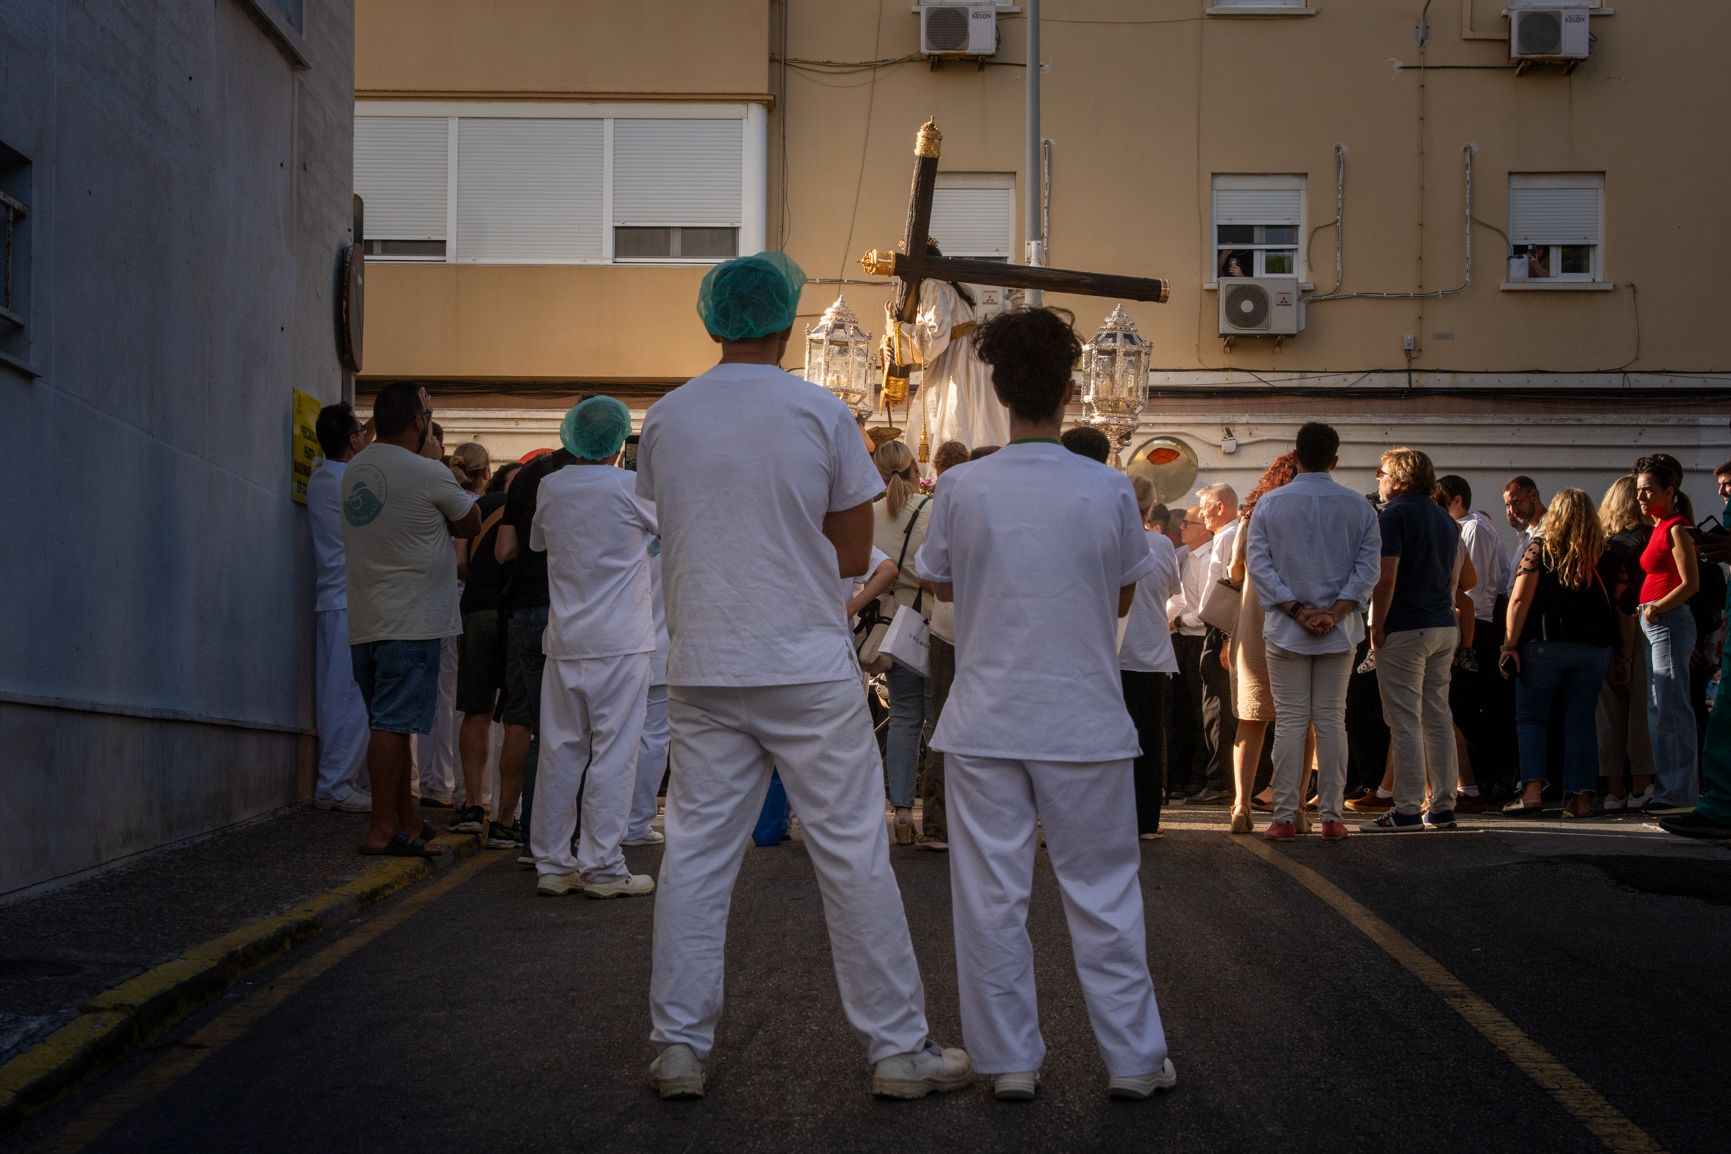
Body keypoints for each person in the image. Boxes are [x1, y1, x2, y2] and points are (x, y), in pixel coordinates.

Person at [640, 253, 969, 1101]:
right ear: (785, 323)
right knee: (852, 855)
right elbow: (855, 554)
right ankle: (896, 1049)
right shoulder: (819, 412)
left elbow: (668, 523)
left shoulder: (669, 417)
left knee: (696, 860)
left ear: (712, 323)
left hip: (703, 660)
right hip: (801, 663)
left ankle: (678, 1047)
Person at [915, 306, 1173, 1102]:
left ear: (997, 392)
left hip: (986, 716)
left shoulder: (960, 485)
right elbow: (1126, 586)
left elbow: (937, 575)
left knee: (990, 896)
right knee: (1102, 893)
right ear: (1070, 392)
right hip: (1083, 715)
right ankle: (1131, 1060)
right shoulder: (1106, 488)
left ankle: (1010, 1062)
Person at [340, 383, 481, 858]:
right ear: (419, 422)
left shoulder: (354, 469)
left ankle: (407, 821)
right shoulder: (427, 473)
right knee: (393, 725)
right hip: (412, 619)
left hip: (366, 618)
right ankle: (383, 829)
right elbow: (470, 522)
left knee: (389, 725)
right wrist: (437, 460)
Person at [528, 398, 658, 898]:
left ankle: (553, 864)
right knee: (614, 754)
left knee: (560, 752)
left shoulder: (550, 486)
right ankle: (602, 866)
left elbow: (540, 544)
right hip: (621, 643)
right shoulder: (630, 488)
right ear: (618, 442)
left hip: (565, 642)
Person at [1245, 422, 1381, 841]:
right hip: (1339, 632)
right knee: (1331, 722)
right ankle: (1332, 816)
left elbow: (1259, 566)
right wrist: (1336, 612)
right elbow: (1367, 570)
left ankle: (1285, 816)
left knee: (1289, 722)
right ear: (1334, 460)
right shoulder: (1359, 506)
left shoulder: (1270, 505)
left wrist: (1299, 611)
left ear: (1297, 456)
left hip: (1288, 629)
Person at [1499, 488, 1633, 819]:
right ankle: (1581, 800)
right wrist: (1624, 653)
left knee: (1531, 719)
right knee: (1581, 723)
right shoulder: (1609, 555)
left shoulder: (1540, 549)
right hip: (1594, 650)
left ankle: (1531, 793)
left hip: (1543, 646)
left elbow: (1518, 600)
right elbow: (1623, 609)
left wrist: (1509, 645)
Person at [495, 422, 583, 864]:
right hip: (569, 615)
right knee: (577, 734)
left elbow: (504, 551)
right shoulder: (605, 481)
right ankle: (571, 840)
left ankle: (533, 836)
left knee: (538, 731)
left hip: (524, 610)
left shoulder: (530, 476)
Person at [1361, 448, 1460, 833]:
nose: (1379, 479)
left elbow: (1387, 577)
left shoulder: (1396, 515)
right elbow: (1453, 579)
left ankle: (1405, 809)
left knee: (1403, 720)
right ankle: (1443, 805)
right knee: (1437, 716)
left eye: (1382, 473)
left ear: (1399, 479)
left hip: (1405, 625)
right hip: (1441, 624)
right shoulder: (1444, 518)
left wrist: (1377, 625)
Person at [449, 462, 532, 849]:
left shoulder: (480, 505)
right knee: (518, 719)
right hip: (518, 611)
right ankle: (503, 821)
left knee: (476, 710)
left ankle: (470, 806)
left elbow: (459, 563)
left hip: (478, 610)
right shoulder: (534, 503)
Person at [1225, 453, 1301, 834]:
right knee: (1300, 719)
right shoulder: (1307, 516)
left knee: (1250, 718)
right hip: (1299, 616)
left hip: (1255, 616)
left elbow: (1235, 571)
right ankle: (1297, 807)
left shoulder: (1251, 516)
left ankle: (1241, 805)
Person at [308, 403, 374, 813]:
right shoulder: (348, 479)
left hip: (333, 597)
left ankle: (345, 777)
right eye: (362, 435)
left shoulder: (322, 478)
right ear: (352, 440)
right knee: (349, 694)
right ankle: (335, 782)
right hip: (349, 600)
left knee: (337, 692)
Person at [1660, 459, 1731, 839]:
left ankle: (1709, 801)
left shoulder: (1674, 531)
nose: (1722, 491)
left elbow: (1694, 588)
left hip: (1691, 631)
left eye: (1728, 484)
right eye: (1719, 484)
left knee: (1694, 714)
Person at [1435, 475, 1510, 812]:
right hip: (1468, 624)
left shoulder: (1473, 528)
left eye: (1440, 500)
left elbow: (1472, 592)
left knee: (1463, 709)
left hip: (1473, 626)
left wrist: (1462, 642)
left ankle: (1473, 784)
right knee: (1459, 707)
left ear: (1455, 500)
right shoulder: (1467, 527)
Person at [871, 439, 933, 844]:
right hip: (930, 622)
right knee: (939, 717)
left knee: (904, 719)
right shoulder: (930, 509)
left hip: (891, 625)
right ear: (914, 468)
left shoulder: (869, 512)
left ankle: (902, 811)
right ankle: (942, 811)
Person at [1634, 458, 1701, 815]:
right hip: (1656, 622)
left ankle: (1680, 793)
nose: (1642, 495)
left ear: (1669, 492)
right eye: (1639, 489)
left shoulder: (1677, 528)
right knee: (1659, 707)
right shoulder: (1659, 527)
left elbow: (1691, 584)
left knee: (1672, 707)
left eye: (1649, 489)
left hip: (1669, 621)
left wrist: (1656, 606)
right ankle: (1668, 788)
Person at [895, 241, 1007, 452]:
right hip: (974, 357)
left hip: (955, 360)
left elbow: (935, 336)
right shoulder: (956, 287)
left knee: (951, 416)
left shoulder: (930, 285)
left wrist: (897, 329)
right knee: (977, 417)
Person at [916, 439, 972, 851]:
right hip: (975, 627)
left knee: (941, 722)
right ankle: (962, 822)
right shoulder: (976, 502)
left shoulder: (941, 505)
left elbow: (929, 571)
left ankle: (938, 824)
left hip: (948, 626)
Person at [1121, 477, 1184, 840]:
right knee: (1148, 738)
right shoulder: (1161, 546)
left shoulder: (1110, 539)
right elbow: (1173, 593)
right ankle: (1146, 819)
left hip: (1112, 652)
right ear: (1149, 507)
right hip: (1151, 653)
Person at [1595, 475, 1655, 811]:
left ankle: (1613, 791)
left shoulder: (1602, 544)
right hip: (1636, 631)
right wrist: (1628, 654)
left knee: (1607, 716)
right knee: (1639, 713)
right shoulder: (1644, 539)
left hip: (1600, 638)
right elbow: (1624, 600)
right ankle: (1641, 785)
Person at [1186, 483, 1240, 805]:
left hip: (1221, 630)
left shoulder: (1228, 537)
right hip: (1218, 627)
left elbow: (1231, 588)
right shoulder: (1226, 536)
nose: (1202, 513)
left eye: (1205, 507)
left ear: (1220, 507)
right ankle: (1221, 778)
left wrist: (1226, 638)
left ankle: (1221, 780)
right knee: (1215, 707)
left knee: (1218, 708)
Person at [1169, 506, 1213, 799]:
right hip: (1181, 640)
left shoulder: (1209, 558)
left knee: (1202, 713)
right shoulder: (1182, 556)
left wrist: (1181, 620)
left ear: (1204, 529)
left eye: (1188, 523)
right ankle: (1181, 776)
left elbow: (1208, 609)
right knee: (1181, 712)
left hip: (1199, 639)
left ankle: (1201, 777)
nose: (1182, 528)